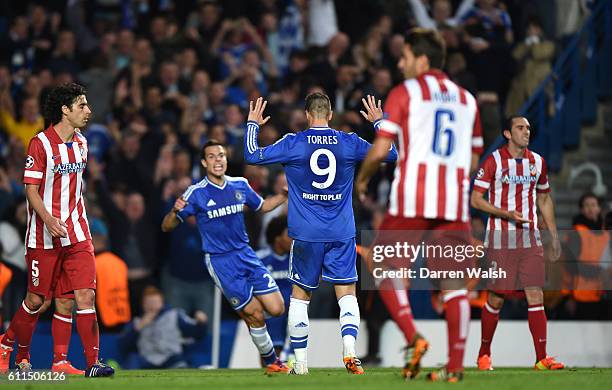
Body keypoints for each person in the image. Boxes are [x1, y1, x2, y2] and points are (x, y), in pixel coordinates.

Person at [355, 28, 483, 382]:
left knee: (382, 267)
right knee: (453, 284)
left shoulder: (405, 92)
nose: (400, 63)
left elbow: (381, 149)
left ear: (422, 59)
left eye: (405, 56)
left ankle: (414, 338)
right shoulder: (468, 100)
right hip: (453, 203)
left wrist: (362, 178)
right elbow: (473, 160)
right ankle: (455, 368)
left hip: (412, 198)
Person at [244, 93, 398, 375]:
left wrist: (252, 124)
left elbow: (251, 155)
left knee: (300, 296)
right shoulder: (349, 141)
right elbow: (391, 154)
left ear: (306, 114)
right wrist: (379, 122)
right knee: (347, 293)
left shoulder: (293, 142)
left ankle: (300, 363)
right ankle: (351, 353)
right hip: (341, 231)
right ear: (329, 115)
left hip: (306, 233)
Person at [0, 83, 114, 377]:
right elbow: (31, 189)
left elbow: (74, 189)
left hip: (76, 231)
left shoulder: (83, 144)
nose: (89, 111)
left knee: (81, 296)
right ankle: (7, 345)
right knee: (38, 300)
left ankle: (86, 363)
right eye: (82, 106)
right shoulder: (40, 144)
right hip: (43, 235)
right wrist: (48, 219)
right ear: (65, 110)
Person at [161, 140, 290, 375]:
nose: (217, 160)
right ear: (203, 162)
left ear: (226, 159)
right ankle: (272, 360)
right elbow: (166, 227)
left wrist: (282, 196)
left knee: (278, 307)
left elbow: (262, 206)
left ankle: (267, 352)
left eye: (221, 155)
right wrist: (174, 211)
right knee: (255, 314)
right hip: (221, 262)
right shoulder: (196, 193)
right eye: (211, 156)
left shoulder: (240, 184)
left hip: (246, 254)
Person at [471, 116, 564, 370]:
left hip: (530, 239)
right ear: (507, 133)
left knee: (536, 294)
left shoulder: (538, 162)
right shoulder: (494, 161)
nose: (526, 132)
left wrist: (553, 235)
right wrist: (506, 214)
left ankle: (541, 358)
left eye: (529, 128)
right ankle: (483, 354)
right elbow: (476, 200)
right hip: (501, 239)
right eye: (520, 128)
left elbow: (544, 199)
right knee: (497, 297)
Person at [117, 286, 206, 369]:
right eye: (148, 303)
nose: (152, 306)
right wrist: (138, 328)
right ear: (143, 305)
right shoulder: (137, 322)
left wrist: (201, 323)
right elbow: (123, 347)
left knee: (181, 362)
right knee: (133, 359)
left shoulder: (175, 315)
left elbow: (197, 334)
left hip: (171, 358)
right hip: (147, 359)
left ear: (162, 303)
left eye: (155, 302)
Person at [257, 215, 293, 361]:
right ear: (278, 238)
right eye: (289, 234)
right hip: (270, 314)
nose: (293, 238)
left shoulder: (298, 259)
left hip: (294, 314)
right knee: (271, 350)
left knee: (294, 354)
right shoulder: (259, 259)